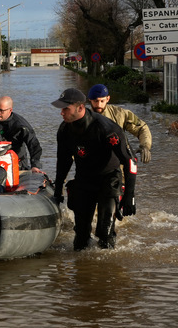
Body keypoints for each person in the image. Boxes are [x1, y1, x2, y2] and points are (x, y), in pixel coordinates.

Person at [51, 87, 137, 250]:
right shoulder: (64, 130)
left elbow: (130, 161)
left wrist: (129, 195)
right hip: (84, 180)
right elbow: (63, 161)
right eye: (61, 109)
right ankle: (83, 272)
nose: (61, 113)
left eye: (65, 109)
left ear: (80, 108)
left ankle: (107, 271)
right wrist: (58, 189)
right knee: (81, 238)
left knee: (105, 234)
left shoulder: (106, 129)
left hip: (108, 178)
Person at [86, 84, 153, 163]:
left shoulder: (120, 114)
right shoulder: (85, 118)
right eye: (96, 101)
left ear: (108, 99)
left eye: (102, 101)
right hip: (94, 165)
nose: (99, 105)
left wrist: (145, 146)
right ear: (90, 100)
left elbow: (142, 128)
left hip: (120, 164)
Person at [0, 95, 44, 173]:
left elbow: (34, 146)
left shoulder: (21, 125)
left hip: (18, 161)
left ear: (10, 110)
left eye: (1, 110)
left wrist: (35, 166)